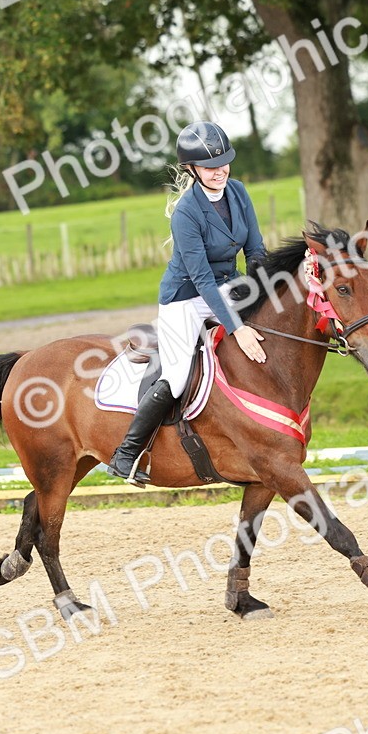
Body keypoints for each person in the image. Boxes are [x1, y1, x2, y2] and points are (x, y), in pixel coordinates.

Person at [108, 120, 268, 485]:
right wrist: (237, 328)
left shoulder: (238, 192)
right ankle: (126, 454)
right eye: (210, 167)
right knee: (177, 377)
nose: (219, 171)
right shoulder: (185, 213)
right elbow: (202, 281)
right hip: (186, 298)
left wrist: (263, 292)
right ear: (192, 169)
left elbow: (255, 250)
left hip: (228, 286)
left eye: (223, 162)